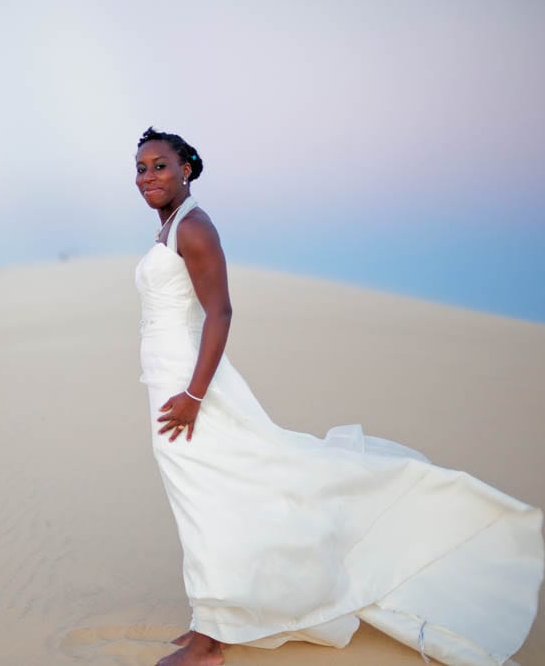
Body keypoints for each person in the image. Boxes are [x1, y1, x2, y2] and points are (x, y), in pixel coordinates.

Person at [133, 126, 543, 666]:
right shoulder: (170, 228)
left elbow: (221, 312)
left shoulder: (195, 227)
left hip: (191, 388)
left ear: (186, 168)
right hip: (170, 382)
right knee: (201, 496)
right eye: (140, 168)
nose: (148, 177)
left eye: (159, 165)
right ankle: (206, 621)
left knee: (213, 498)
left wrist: (193, 394)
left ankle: (211, 642)